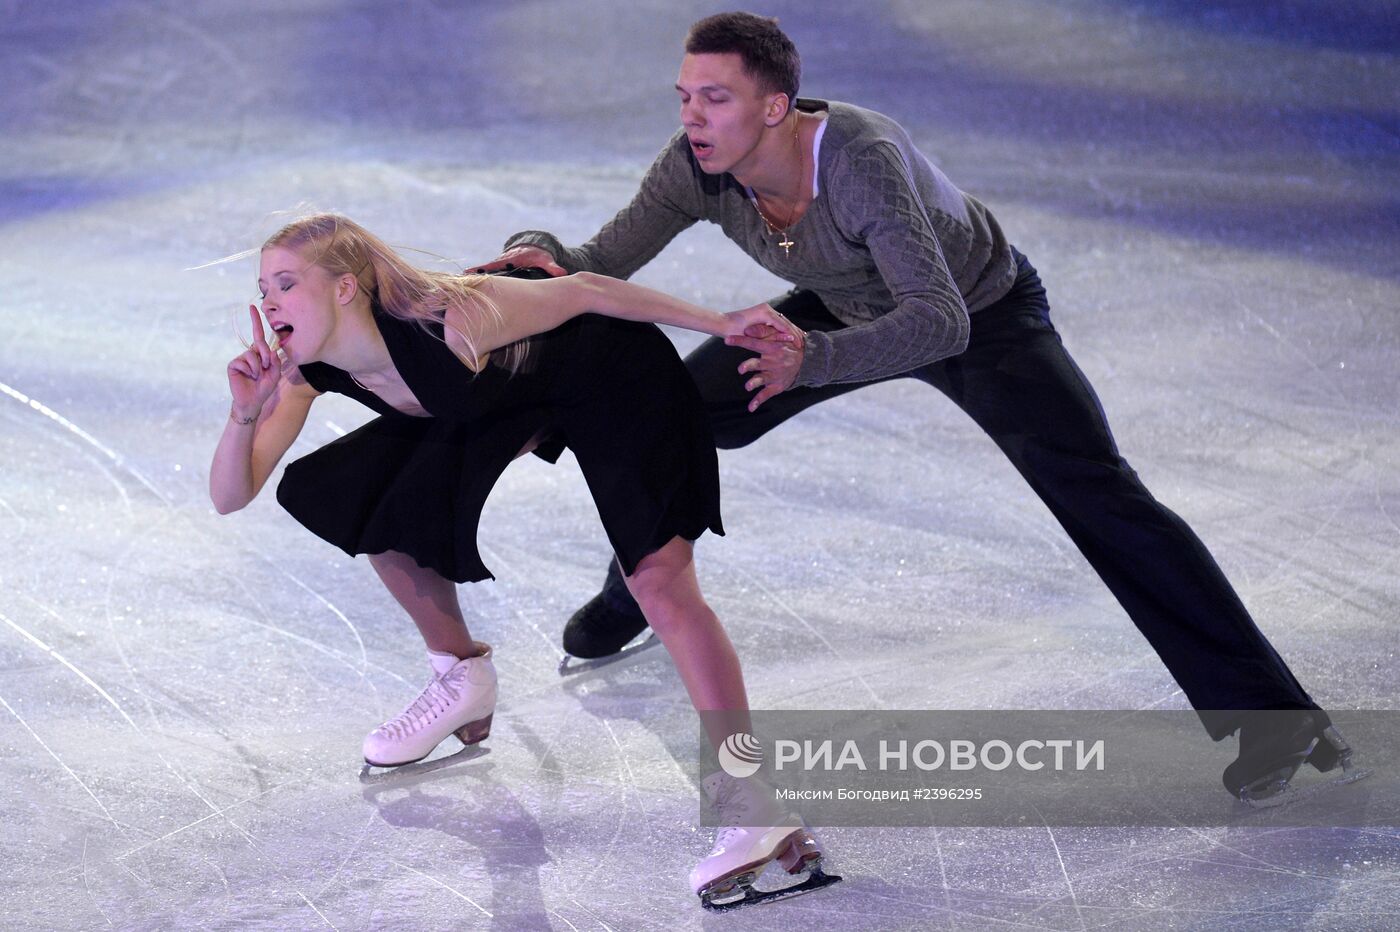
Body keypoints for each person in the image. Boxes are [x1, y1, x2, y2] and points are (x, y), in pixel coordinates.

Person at [475, 12, 1358, 802]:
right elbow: (597, 264)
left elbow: (935, 319)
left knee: (1100, 494)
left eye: (714, 98)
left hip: (981, 317)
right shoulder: (694, 170)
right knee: (675, 414)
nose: (691, 117)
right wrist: (533, 252)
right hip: (837, 306)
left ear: (776, 107)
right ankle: (641, 586)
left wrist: (811, 359)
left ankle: (1273, 717)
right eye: (683, 97)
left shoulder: (860, 164)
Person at [208, 213, 836, 906]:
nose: (270, 303)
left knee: (660, 585)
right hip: (512, 403)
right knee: (364, 495)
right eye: (263, 288)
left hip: (615, 376)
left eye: (287, 284)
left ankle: (751, 804)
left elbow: (592, 291)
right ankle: (461, 678)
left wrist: (722, 325)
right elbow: (231, 495)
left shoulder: (452, 317)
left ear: (346, 289)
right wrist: (244, 413)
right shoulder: (306, 370)